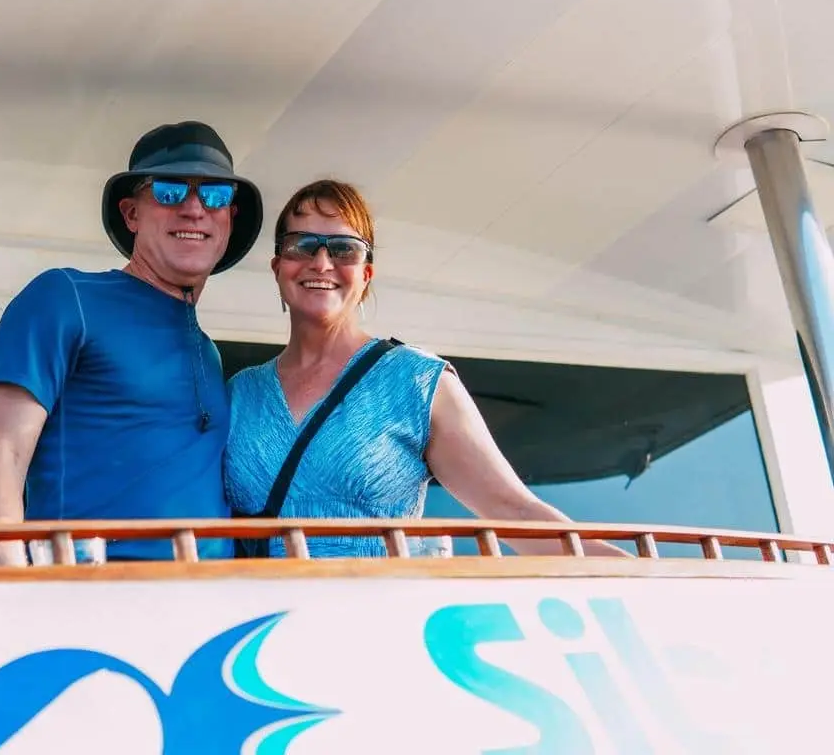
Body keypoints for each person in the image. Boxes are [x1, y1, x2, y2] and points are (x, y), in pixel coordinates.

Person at [224, 179, 630, 559]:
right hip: (253, 612)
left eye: (344, 249)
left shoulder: (417, 381)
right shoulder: (240, 392)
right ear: (278, 268)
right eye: (302, 245)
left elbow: (516, 511)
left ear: (366, 274)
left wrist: (647, 584)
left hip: (375, 611)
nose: (322, 262)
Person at [0, 121, 263, 564]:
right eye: (169, 191)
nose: (194, 208)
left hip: (210, 599)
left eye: (215, 195)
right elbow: (1, 453)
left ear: (230, 219)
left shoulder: (207, 351)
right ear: (131, 214)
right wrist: (10, 588)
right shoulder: (64, 298)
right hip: (96, 593)